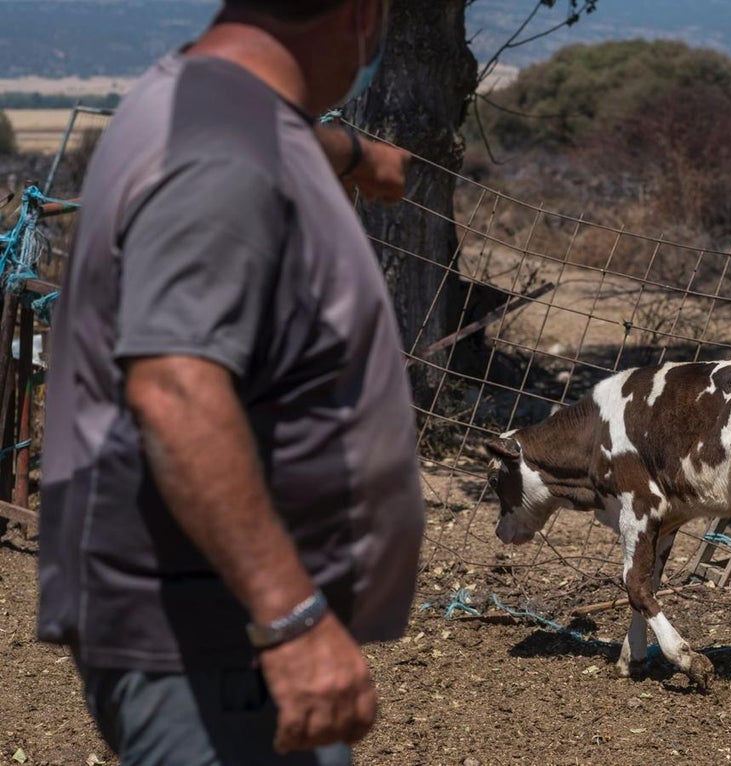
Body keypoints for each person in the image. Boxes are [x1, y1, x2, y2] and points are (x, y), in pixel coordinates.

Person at [36, 1, 427, 763]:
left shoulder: (202, 99)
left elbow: (261, 143)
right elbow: (175, 390)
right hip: (215, 640)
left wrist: (349, 152)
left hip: (217, 627)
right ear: (363, 16)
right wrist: (292, 621)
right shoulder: (220, 157)